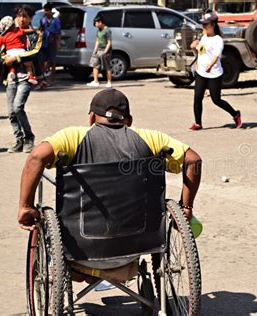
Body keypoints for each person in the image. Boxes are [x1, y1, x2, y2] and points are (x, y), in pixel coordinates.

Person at [17, 88, 202, 271]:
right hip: (140, 246)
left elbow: (36, 158)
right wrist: (186, 207)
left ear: (91, 118)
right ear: (129, 121)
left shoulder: (72, 137)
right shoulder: (151, 139)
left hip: (82, 250)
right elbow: (193, 160)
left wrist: (26, 206)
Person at [189, 11, 242, 131]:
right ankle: (198, 123)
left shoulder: (218, 40)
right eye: (203, 24)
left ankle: (235, 114)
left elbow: (216, 56)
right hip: (201, 72)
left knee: (216, 100)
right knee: (197, 98)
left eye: (206, 24)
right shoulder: (203, 38)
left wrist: (210, 66)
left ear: (212, 25)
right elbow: (200, 53)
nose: (203, 26)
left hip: (214, 74)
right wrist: (194, 47)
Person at [2, 5, 43, 153]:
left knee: (18, 107)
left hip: (27, 76)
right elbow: (2, 51)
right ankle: (18, 140)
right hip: (11, 76)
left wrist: (16, 57)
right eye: (19, 16)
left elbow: (35, 53)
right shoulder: (9, 32)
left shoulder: (35, 35)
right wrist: (5, 58)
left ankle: (29, 137)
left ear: (31, 18)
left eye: (25, 16)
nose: (21, 19)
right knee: (11, 112)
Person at [0, 16, 38, 84]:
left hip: (10, 53)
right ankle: (30, 76)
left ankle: (12, 72)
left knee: (10, 64)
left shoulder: (3, 36)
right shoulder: (19, 31)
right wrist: (35, 30)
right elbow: (28, 31)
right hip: (21, 52)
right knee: (28, 64)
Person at [87, 16, 112, 88]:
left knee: (107, 66)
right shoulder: (98, 30)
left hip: (105, 50)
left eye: (96, 23)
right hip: (99, 50)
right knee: (95, 65)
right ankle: (95, 81)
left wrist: (105, 52)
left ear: (100, 22)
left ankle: (109, 82)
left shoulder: (107, 30)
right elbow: (97, 41)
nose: (95, 25)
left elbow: (109, 43)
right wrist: (94, 51)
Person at [40, 3, 61, 85]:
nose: (46, 12)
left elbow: (58, 33)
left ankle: (52, 79)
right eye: (45, 10)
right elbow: (41, 29)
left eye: (47, 10)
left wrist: (58, 43)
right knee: (43, 60)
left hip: (53, 41)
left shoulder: (56, 20)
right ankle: (44, 77)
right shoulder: (42, 20)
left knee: (52, 61)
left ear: (50, 11)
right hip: (44, 42)